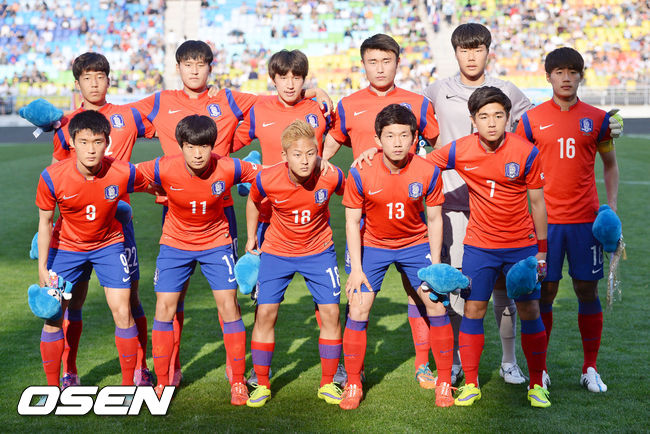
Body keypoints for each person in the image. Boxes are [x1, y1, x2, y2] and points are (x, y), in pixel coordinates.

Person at [133, 42, 332, 385]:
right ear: (178, 67)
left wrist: (313, 91)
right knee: (171, 297)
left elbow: (278, 96)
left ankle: (236, 370)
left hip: (220, 213)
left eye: (201, 64)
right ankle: (171, 369)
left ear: (210, 67)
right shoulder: (159, 101)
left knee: (231, 296)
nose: (194, 70)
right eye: (187, 64)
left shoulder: (230, 99)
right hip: (176, 212)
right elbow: (114, 118)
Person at [355, 23, 534, 385]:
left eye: (478, 49)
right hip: (451, 206)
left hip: (499, 207)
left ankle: (509, 361)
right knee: (451, 286)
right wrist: (374, 148)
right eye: (464, 50)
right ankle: (452, 361)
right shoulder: (436, 91)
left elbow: (536, 128)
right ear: (455, 53)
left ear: (488, 51)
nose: (472, 56)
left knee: (504, 289)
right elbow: (399, 125)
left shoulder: (507, 90)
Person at [322, 33, 442, 390]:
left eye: (386, 61)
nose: (379, 68)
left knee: (418, 291)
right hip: (365, 218)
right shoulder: (348, 104)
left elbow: (438, 147)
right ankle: (351, 370)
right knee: (358, 294)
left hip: (409, 217)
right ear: (363, 65)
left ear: (397, 63)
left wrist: (417, 163)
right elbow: (328, 148)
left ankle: (423, 364)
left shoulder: (417, 103)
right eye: (372, 62)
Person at [426, 87, 550, 408]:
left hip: (521, 247)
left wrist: (541, 252)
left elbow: (538, 203)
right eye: (484, 116)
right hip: (480, 246)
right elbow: (424, 165)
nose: (491, 122)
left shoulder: (526, 152)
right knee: (473, 310)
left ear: (508, 118)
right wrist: (377, 155)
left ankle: (537, 384)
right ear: (473, 120)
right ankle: (471, 383)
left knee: (529, 310)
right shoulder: (460, 149)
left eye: (498, 115)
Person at [49, 51, 156, 388]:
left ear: (109, 80)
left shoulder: (129, 116)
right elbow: (56, 175)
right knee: (72, 302)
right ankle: (69, 371)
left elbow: (172, 126)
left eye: (100, 76)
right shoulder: (66, 126)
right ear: (77, 83)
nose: (94, 83)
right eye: (87, 78)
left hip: (119, 225)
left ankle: (139, 368)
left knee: (130, 300)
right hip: (75, 229)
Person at [515, 47, 618, 393]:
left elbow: (610, 166)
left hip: (586, 222)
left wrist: (611, 209)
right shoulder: (531, 120)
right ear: (548, 77)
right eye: (559, 72)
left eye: (573, 71)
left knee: (586, 290)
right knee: (545, 292)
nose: (566, 78)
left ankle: (590, 367)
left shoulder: (598, 119)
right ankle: (541, 369)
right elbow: (517, 166)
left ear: (580, 76)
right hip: (544, 223)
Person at [137, 115, 259, 404]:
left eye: (203, 146)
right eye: (190, 147)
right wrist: (154, 189)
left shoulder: (228, 167)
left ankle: (238, 380)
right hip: (175, 244)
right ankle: (163, 382)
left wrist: (316, 163)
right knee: (164, 308)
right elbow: (125, 176)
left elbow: (268, 174)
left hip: (216, 243)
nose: (197, 154)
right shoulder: (163, 166)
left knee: (229, 306)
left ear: (212, 146)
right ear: (181, 146)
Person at [341, 104, 454, 410]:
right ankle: (353, 382)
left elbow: (434, 219)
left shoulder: (428, 171)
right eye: (390, 136)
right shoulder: (360, 171)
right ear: (378, 140)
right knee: (358, 306)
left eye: (404, 135)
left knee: (435, 303)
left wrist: (435, 264)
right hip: (373, 244)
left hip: (414, 244)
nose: (398, 142)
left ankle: (444, 381)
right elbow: (351, 222)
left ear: (415, 138)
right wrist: (356, 269)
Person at [244, 120, 346, 408]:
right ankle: (261, 383)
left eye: (311, 153)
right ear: (284, 156)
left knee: (331, 313)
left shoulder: (330, 175)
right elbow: (253, 201)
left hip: (319, 251)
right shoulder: (267, 178)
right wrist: (251, 237)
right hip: (277, 252)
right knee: (265, 314)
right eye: (297, 154)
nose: (305, 160)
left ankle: (328, 382)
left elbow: (353, 193)